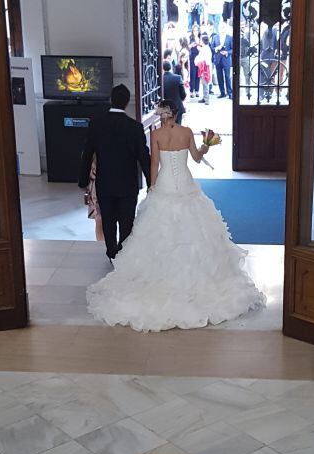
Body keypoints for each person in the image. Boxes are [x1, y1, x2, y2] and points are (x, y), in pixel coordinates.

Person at [86, 100, 265, 332]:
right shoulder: (187, 132)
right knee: (193, 231)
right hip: (186, 184)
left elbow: (154, 164)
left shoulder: (157, 134)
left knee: (159, 231)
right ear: (177, 113)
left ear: (164, 114)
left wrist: (152, 187)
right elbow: (197, 158)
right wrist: (205, 147)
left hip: (165, 185)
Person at [78, 85, 151, 262]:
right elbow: (144, 158)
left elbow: (87, 153)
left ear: (111, 99)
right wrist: (151, 182)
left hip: (105, 182)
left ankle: (112, 253)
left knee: (108, 221)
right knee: (127, 222)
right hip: (127, 184)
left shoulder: (97, 124)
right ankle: (123, 255)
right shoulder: (134, 128)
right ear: (127, 103)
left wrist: (83, 181)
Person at [161, 59, 186, 124]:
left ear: (162, 68)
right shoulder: (177, 77)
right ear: (171, 67)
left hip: (165, 108)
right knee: (178, 128)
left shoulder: (160, 79)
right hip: (177, 106)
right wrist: (182, 98)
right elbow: (183, 93)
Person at [213, 20, 233, 99]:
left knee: (227, 77)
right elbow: (212, 47)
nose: (222, 29)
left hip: (226, 60)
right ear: (219, 28)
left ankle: (230, 93)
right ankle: (222, 93)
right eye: (221, 27)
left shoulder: (229, 37)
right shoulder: (215, 37)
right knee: (219, 77)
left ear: (226, 28)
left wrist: (227, 52)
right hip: (218, 60)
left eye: (223, 27)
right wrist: (216, 48)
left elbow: (233, 49)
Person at [195, 32, 212, 105]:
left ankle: (207, 99)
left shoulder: (206, 49)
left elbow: (204, 59)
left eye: (201, 40)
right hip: (202, 67)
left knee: (205, 83)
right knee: (203, 83)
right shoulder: (204, 48)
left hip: (205, 68)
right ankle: (204, 97)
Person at [188, 28, 200, 98]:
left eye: (197, 30)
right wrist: (191, 45)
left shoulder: (200, 38)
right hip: (192, 58)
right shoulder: (190, 38)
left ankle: (197, 90)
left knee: (198, 75)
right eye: (194, 31)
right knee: (192, 74)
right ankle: (191, 91)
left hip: (199, 58)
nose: (196, 32)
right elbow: (187, 47)